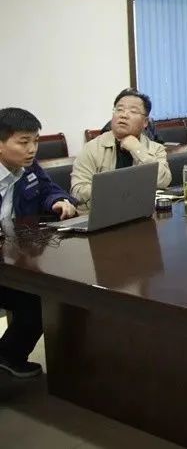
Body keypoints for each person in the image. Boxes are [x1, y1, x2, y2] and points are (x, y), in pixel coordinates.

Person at [0, 108, 78, 378]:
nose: (32, 149)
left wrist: (58, 201)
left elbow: (48, 189)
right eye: (23, 142)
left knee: (44, 295)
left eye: (35, 141)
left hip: (14, 261)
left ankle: (8, 355)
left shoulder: (29, 168)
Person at [71, 89, 172, 205]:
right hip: (102, 211)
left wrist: (137, 149)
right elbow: (77, 190)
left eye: (133, 111)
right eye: (119, 110)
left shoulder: (156, 149)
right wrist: (117, 190)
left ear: (145, 122)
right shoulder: (92, 148)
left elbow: (162, 181)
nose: (124, 115)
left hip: (141, 210)